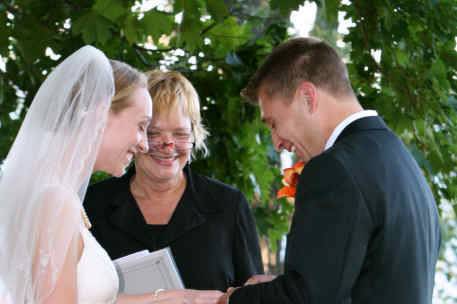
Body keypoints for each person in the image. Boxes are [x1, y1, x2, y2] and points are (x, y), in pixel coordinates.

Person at [218, 37, 441, 304]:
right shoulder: (398, 159)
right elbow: (355, 281)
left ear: (307, 97)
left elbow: (307, 299)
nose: (276, 143)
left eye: (274, 123)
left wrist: (231, 300)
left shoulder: (334, 169)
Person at [0, 46, 221, 304]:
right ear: (99, 113)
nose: (144, 144)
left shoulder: (55, 193)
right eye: (141, 126)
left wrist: (177, 297)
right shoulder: (54, 201)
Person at [84, 70, 263, 292]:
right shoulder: (92, 204)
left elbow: (254, 296)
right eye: (153, 133)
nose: (168, 144)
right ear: (136, 134)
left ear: (195, 134)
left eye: (180, 133)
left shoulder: (229, 206)